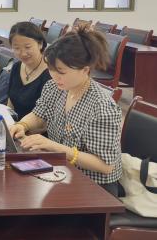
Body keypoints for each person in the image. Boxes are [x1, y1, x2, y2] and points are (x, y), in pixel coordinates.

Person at [9, 27, 122, 194]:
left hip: (94, 184)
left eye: (61, 72)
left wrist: (53, 146)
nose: (55, 76)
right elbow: (39, 114)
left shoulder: (102, 107)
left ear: (85, 70)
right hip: (61, 170)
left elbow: (105, 166)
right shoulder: (55, 87)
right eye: (51, 69)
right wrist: (22, 125)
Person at [7, 21, 52, 120]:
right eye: (16, 48)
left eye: (27, 47)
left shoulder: (51, 74)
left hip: (36, 127)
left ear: (40, 44)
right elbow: (10, 102)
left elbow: (45, 118)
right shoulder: (16, 67)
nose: (23, 53)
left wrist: (21, 126)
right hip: (15, 124)